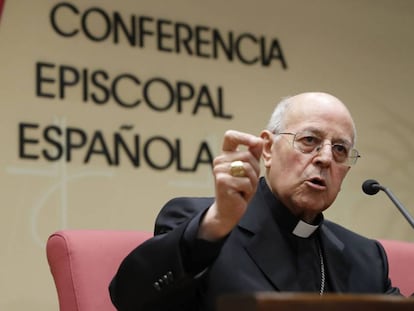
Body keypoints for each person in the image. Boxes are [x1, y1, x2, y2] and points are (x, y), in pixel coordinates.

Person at [109, 92, 401, 311]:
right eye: (309, 140)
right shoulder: (202, 226)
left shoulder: (365, 257)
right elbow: (129, 298)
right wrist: (217, 223)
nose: (325, 158)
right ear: (269, 149)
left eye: (340, 149)